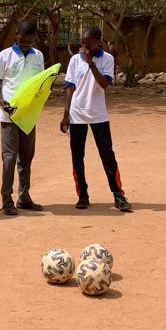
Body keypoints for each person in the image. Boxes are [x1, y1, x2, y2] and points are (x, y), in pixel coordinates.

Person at [60, 27, 132, 212]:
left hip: (98, 114)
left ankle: (118, 195)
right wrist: (66, 114)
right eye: (82, 42)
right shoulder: (75, 60)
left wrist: (90, 63)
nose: (84, 46)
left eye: (88, 43)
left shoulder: (107, 59)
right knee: (77, 157)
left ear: (98, 42)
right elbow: (70, 87)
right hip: (77, 114)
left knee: (107, 155)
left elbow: (104, 84)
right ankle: (82, 195)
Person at [0, 20, 45, 215]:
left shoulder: (38, 56)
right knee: (9, 158)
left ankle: (24, 197)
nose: (25, 44)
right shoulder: (4, 55)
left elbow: (40, 83)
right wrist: (2, 102)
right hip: (9, 116)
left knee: (27, 158)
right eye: (23, 40)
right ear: (16, 35)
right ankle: (7, 200)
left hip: (29, 116)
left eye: (29, 41)